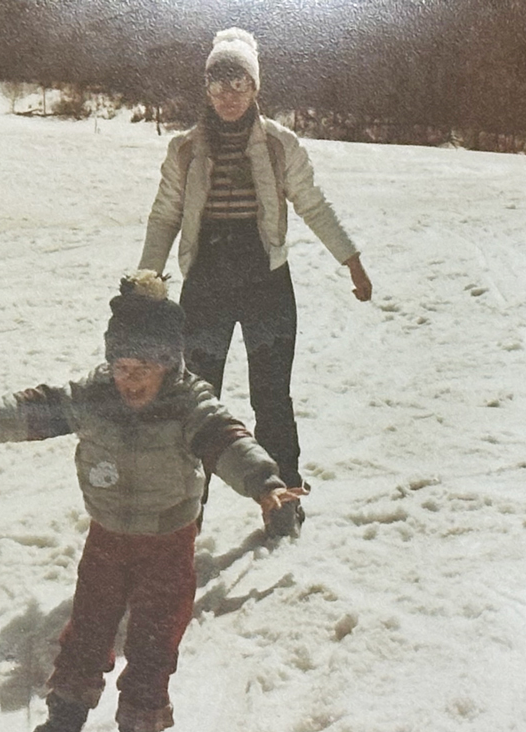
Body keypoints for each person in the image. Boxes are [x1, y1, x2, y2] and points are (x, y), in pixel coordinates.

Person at [0, 271, 306, 732]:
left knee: (153, 652)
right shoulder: (94, 398)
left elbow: (228, 440)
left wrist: (264, 484)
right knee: (85, 639)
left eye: (143, 369)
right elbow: (41, 406)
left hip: (168, 547)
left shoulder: (188, 405)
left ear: (169, 364)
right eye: (121, 367)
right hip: (107, 542)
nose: (129, 380)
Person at [137, 27, 374, 539]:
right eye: (218, 84)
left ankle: (282, 498)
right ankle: (185, 513)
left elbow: (312, 204)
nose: (228, 95)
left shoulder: (278, 145)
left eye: (238, 83)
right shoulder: (184, 149)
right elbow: (164, 217)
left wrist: (350, 260)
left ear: (255, 87)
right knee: (197, 400)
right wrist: (147, 280)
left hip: (266, 282)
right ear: (206, 90)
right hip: (205, 285)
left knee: (272, 398)